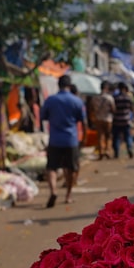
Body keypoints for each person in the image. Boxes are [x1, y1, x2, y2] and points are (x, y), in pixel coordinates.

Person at [40, 74, 87, 208]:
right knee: (71, 168)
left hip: (55, 139)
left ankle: (53, 191)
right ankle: (68, 195)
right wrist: (84, 138)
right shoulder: (77, 101)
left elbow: (43, 117)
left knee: (51, 167)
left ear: (58, 85)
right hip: (71, 139)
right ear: (69, 85)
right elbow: (83, 121)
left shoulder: (50, 100)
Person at [111, 82, 134, 159]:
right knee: (128, 136)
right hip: (126, 120)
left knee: (116, 137)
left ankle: (116, 152)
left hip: (117, 121)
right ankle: (129, 148)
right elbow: (132, 109)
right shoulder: (129, 98)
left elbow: (113, 109)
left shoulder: (115, 98)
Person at [91, 81, 115, 160]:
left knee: (100, 136)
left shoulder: (95, 98)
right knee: (108, 136)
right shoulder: (109, 98)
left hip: (98, 119)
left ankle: (101, 151)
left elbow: (92, 108)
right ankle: (107, 151)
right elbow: (113, 109)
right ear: (106, 88)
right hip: (108, 119)